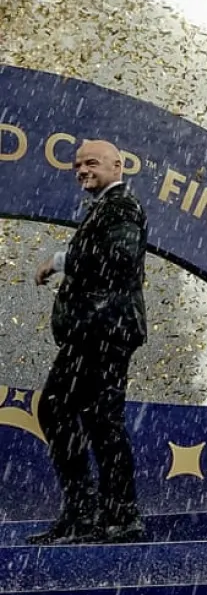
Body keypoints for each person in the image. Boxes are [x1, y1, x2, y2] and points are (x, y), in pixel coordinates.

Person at [30, 139, 148, 545]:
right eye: (78, 164)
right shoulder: (106, 208)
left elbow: (120, 259)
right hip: (96, 334)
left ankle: (109, 516)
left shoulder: (122, 207)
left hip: (104, 333)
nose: (82, 169)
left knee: (75, 414)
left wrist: (61, 260)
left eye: (92, 162)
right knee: (82, 416)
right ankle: (100, 514)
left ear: (118, 165)